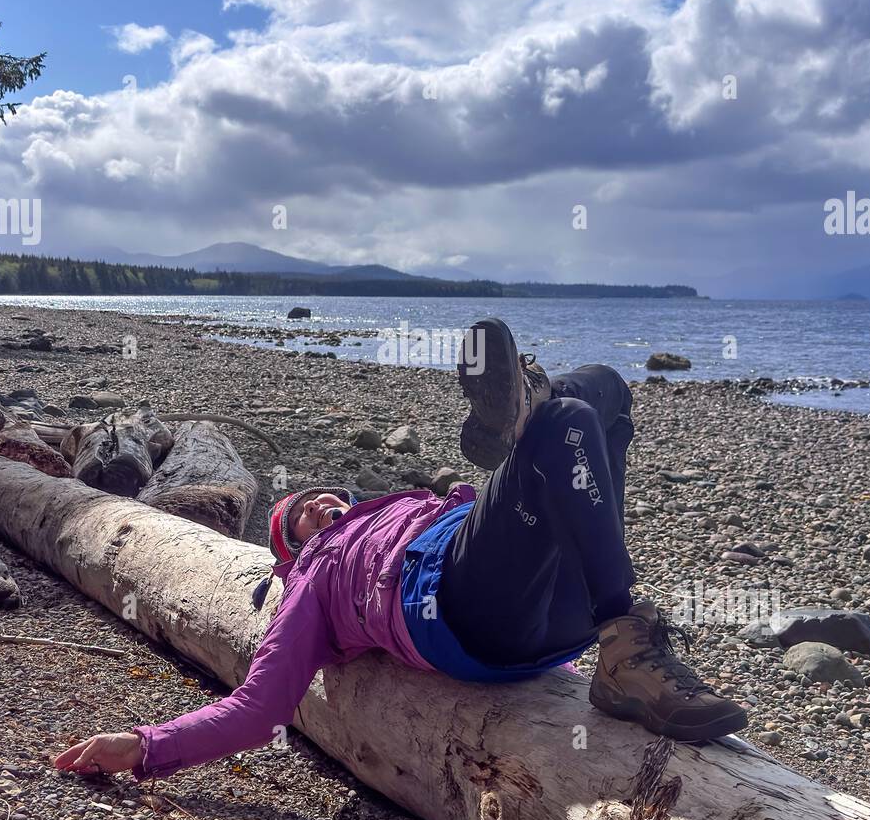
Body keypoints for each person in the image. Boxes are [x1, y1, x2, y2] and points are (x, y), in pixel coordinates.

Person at [55, 318, 746, 779]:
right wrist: (145, 745)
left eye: (323, 497)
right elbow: (258, 708)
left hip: (558, 618)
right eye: (301, 517)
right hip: (463, 610)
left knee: (607, 392)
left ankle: (619, 632)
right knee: (563, 418)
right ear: (295, 549)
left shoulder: (413, 506)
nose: (321, 506)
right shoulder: (315, 580)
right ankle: (536, 408)